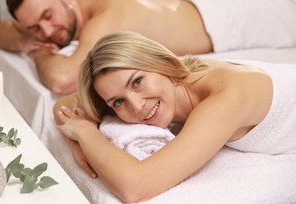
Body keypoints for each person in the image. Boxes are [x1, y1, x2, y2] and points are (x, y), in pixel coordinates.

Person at [54, 31, 296, 203]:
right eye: (118, 101)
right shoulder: (168, 74)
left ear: (159, 62)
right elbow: (65, 104)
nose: (137, 107)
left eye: (137, 82)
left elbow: (136, 187)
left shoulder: (225, 96)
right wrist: (73, 140)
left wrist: (85, 135)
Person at [0, 0, 296, 95]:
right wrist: (24, 35)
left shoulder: (104, 15)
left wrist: (35, 49)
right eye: (35, 28)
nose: (47, 32)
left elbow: (63, 79)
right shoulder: (68, 11)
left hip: (230, 15)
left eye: (48, 16)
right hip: (195, 0)